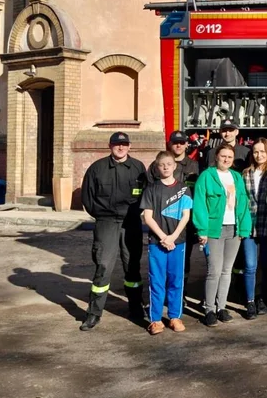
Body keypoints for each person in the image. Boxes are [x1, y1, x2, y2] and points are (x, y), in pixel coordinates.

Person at [79, 131, 147, 331]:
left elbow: (145, 194)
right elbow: (87, 197)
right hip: (106, 222)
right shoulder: (97, 168)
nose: (121, 147)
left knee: (132, 266)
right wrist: (101, 215)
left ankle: (136, 308)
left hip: (131, 223)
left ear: (129, 146)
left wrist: (137, 213)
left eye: (124, 144)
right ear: (110, 146)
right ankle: (93, 314)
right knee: (103, 267)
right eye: (117, 144)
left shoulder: (138, 168)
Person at [192, 144, 252, 327]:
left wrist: (243, 229)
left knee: (227, 271)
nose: (226, 159)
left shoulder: (236, 177)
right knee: (214, 271)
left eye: (229, 157)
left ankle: (221, 307)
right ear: (216, 157)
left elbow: (243, 204)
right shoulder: (206, 176)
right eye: (223, 156)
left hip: (233, 229)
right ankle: (209, 309)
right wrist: (202, 230)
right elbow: (200, 204)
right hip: (214, 230)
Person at [140, 151, 193, 334]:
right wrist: (163, 237)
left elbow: (186, 216)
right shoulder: (151, 190)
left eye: (168, 164)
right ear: (157, 167)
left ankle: (174, 317)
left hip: (178, 242)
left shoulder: (184, 189)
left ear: (174, 166)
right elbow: (148, 217)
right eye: (161, 165)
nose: (165, 167)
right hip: (157, 243)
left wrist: (173, 237)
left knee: (176, 281)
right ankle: (155, 320)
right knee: (157, 281)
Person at [148, 130, 202, 292]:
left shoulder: (194, 166)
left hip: (185, 219)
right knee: (160, 259)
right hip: (161, 219)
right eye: (175, 142)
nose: (178, 145)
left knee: (183, 259)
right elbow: (149, 189)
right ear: (170, 144)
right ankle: (160, 291)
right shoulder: (156, 166)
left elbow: (198, 193)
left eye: (182, 142)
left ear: (187, 144)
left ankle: (181, 292)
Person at [242, 140, 267, 319]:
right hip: (249, 225)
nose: (259, 155)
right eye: (255, 152)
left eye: (262, 152)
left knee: (266, 264)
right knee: (250, 265)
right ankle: (250, 300)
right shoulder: (245, 174)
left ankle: (263, 297)